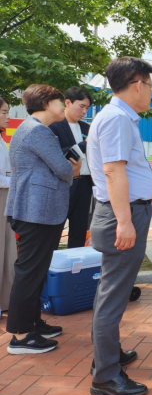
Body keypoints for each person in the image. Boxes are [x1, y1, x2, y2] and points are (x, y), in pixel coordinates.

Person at [86, 57, 152, 395]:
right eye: (150, 85)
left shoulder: (119, 117)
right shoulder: (117, 119)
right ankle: (105, 376)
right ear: (136, 84)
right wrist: (126, 222)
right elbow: (114, 173)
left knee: (111, 292)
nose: (151, 93)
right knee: (113, 296)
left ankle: (107, 356)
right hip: (122, 215)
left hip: (124, 212)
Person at [4, 85, 81, 354]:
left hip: (36, 209)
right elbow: (62, 169)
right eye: (61, 101)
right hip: (36, 210)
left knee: (35, 270)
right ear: (47, 103)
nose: (64, 106)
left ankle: (33, 323)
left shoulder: (30, 129)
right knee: (29, 272)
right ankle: (22, 336)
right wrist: (75, 170)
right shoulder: (38, 130)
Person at [50, 87, 93, 248]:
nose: (84, 111)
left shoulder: (86, 128)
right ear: (67, 103)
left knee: (80, 228)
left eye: (87, 108)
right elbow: (63, 155)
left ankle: (75, 268)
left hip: (85, 183)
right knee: (56, 228)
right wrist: (85, 143)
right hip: (64, 184)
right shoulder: (54, 127)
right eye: (81, 106)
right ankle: (50, 266)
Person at [0, 96, 18, 316]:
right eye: (3, 112)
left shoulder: (3, 141)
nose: (8, 116)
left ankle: (6, 300)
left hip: (5, 197)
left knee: (7, 251)